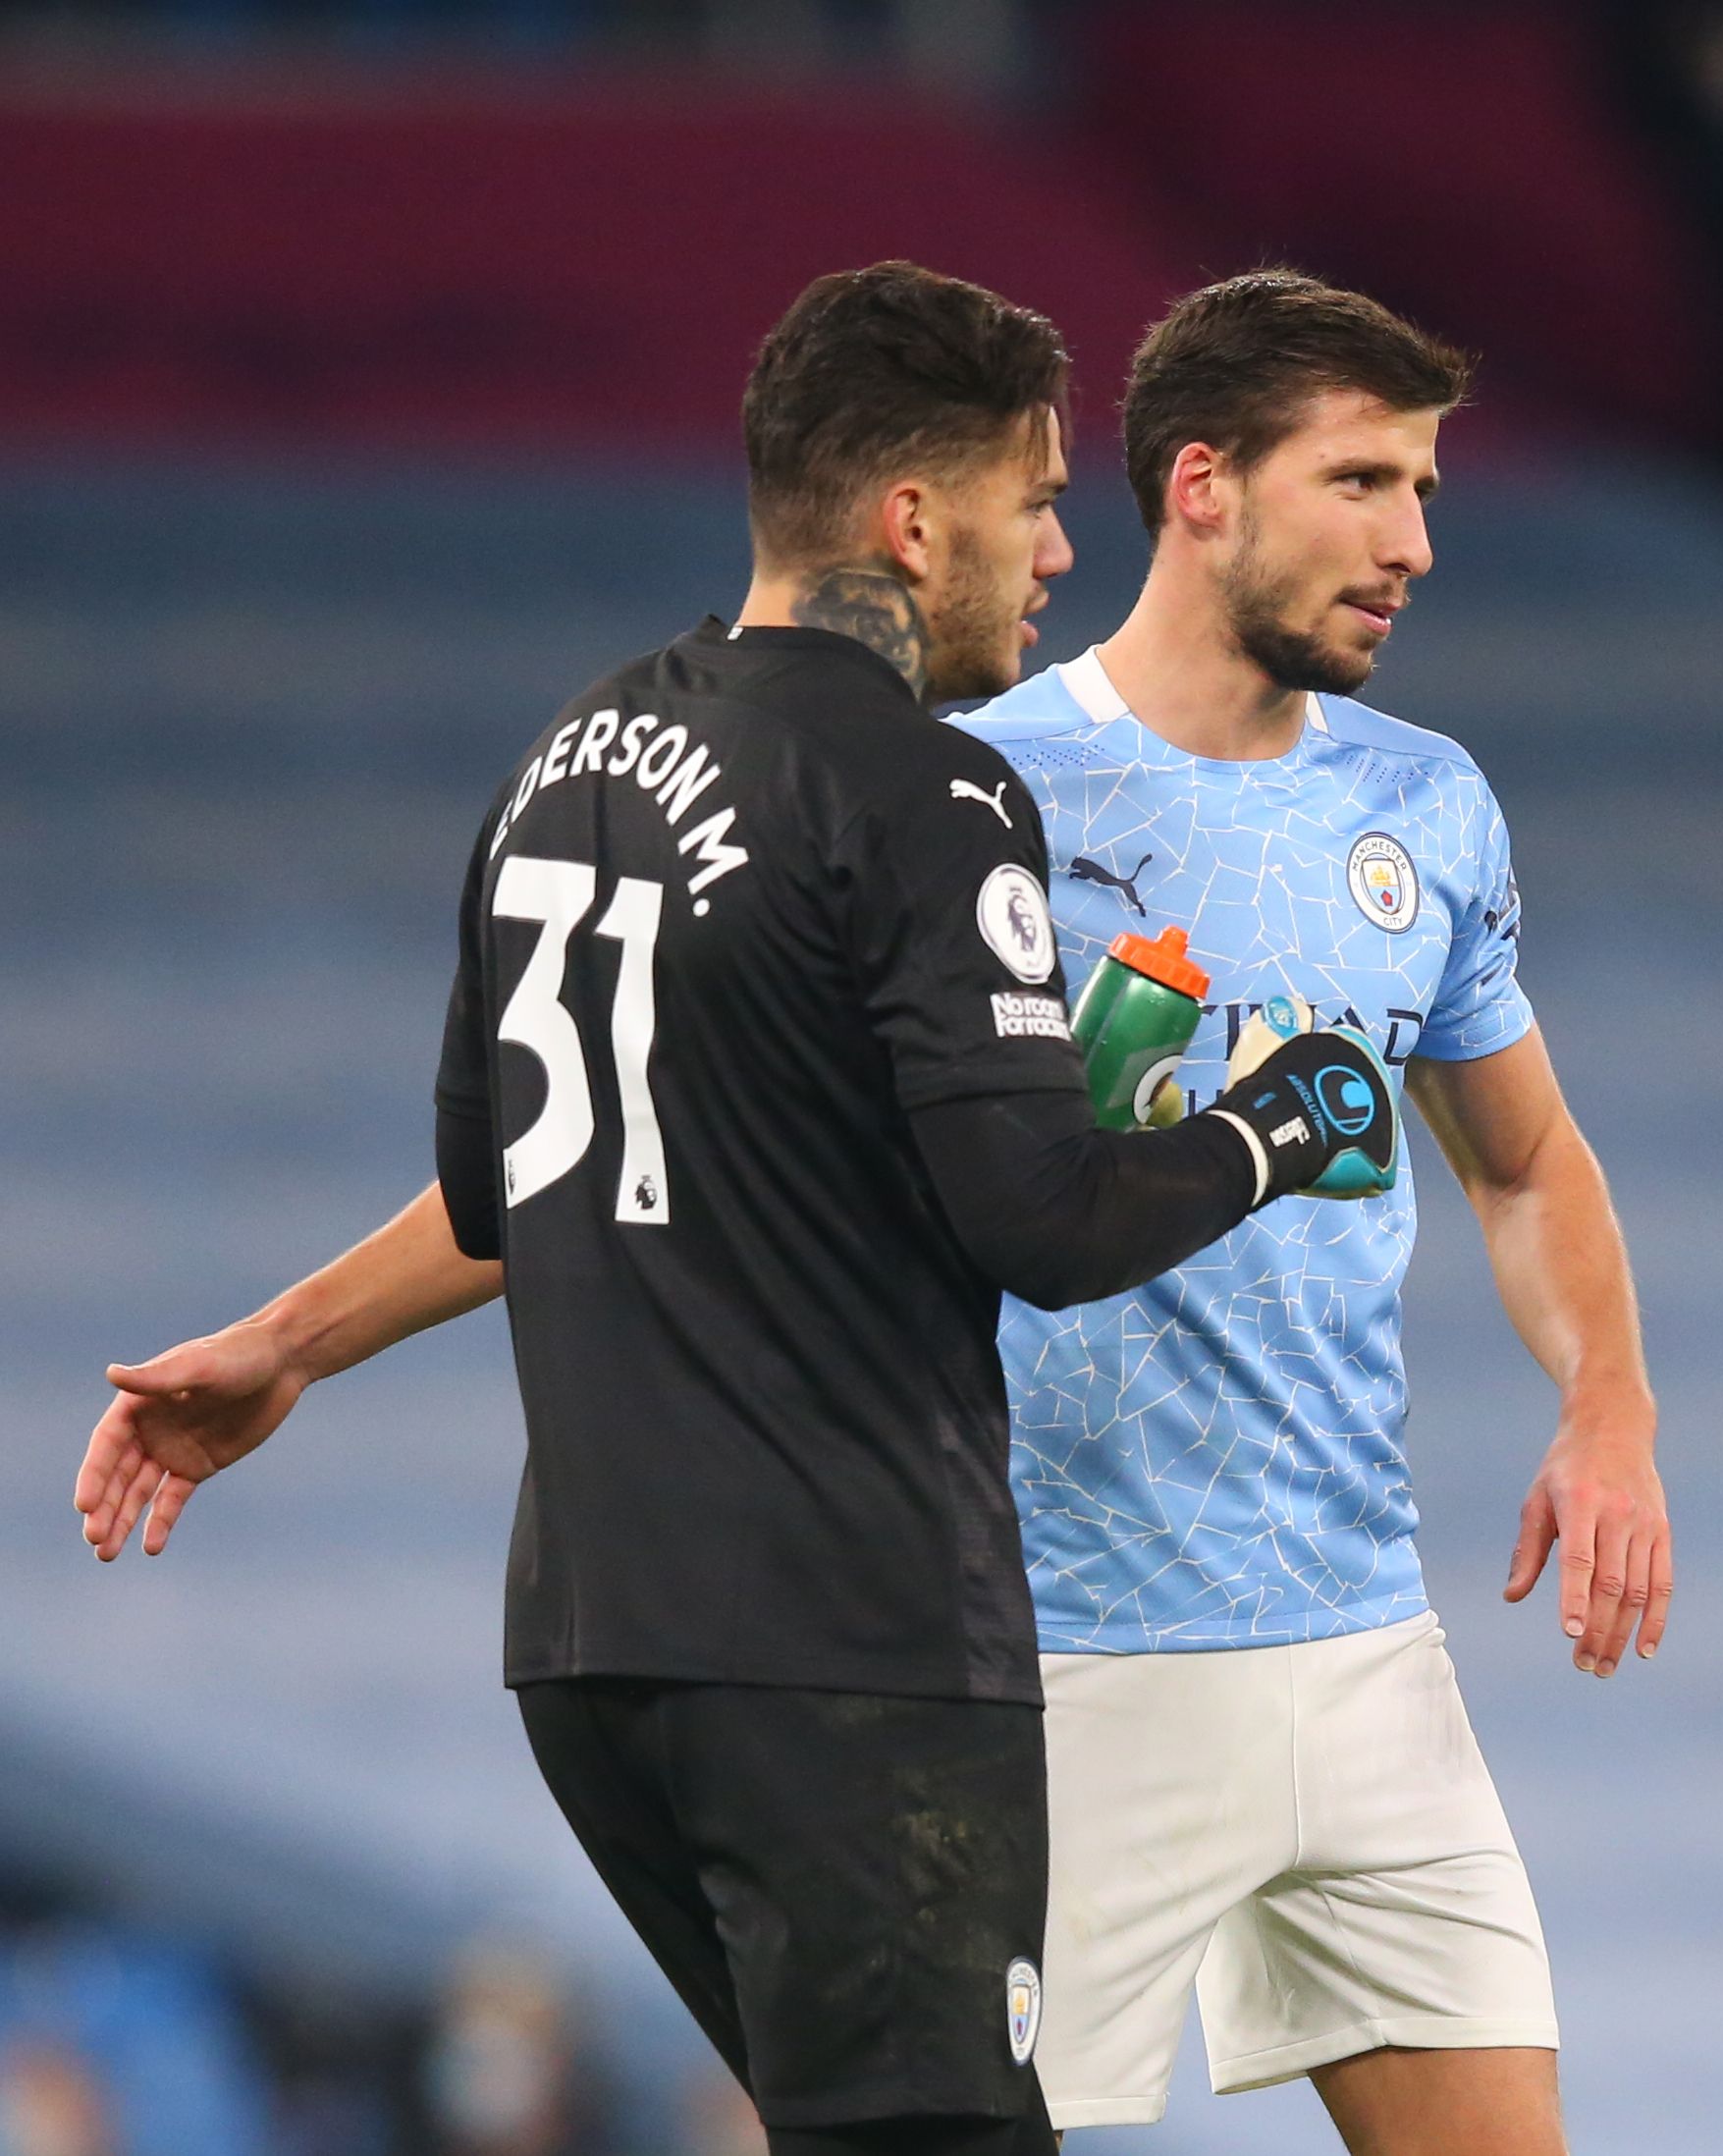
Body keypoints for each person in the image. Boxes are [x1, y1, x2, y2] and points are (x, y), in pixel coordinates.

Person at [75, 262, 1394, 2156]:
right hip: (842, 1643)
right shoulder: (926, 791)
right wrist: (1279, 1122)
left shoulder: (569, 763)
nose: (1050, 561)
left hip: (599, 1647)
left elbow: (507, 1175)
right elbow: (1045, 1220)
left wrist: (284, 1343)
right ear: (910, 518)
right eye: (1032, 507)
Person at [954, 271, 1661, 2153]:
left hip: (1360, 1648)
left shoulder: (1424, 805)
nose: (1413, 542)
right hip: (1055, 1655)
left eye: (1423, 491)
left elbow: (1522, 1162)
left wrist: (1606, 1408)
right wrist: (290, 1338)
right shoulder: (984, 794)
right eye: (1361, 482)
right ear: (1201, 485)